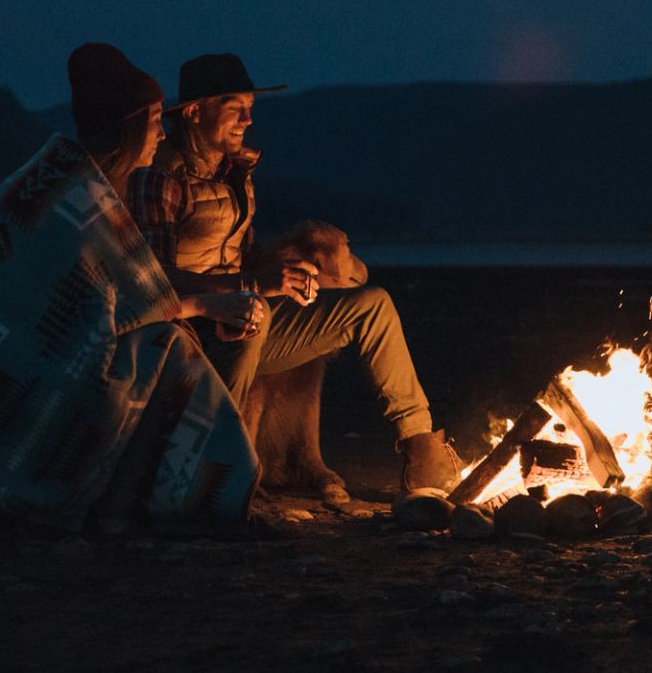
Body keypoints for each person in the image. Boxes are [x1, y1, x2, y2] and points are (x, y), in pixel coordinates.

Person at [0, 43, 270, 532]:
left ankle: (172, 491)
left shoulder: (80, 183)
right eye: (154, 122)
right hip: (11, 358)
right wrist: (205, 303)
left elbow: (112, 298)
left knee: (167, 343)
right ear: (128, 128)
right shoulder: (74, 196)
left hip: (8, 348)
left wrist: (202, 303)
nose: (161, 134)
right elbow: (93, 311)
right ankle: (179, 494)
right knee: (167, 354)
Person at [127, 51, 461, 496]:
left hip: (245, 315)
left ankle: (421, 451)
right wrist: (252, 286)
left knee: (373, 305)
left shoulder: (235, 174)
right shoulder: (159, 178)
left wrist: (286, 273)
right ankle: (221, 464)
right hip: (190, 329)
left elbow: (243, 257)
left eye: (250, 107)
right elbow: (154, 280)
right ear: (194, 112)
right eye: (234, 107)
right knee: (253, 312)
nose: (247, 119)